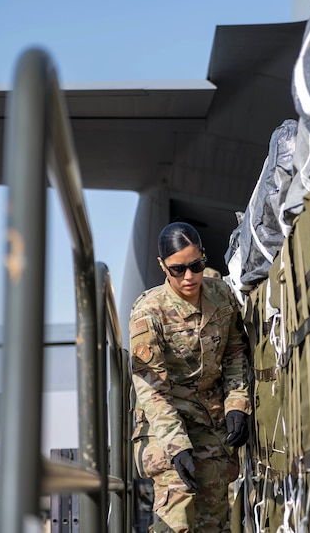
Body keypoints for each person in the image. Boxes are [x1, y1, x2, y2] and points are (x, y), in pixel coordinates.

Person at [130, 222, 251, 532]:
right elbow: (151, 389)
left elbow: (235, 353)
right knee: (178, 513)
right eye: (178, 269)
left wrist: (237, 403)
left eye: (196, 266)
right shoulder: (149, 312)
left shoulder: (221, 296)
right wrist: (177, 445)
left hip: (210, 422)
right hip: (164, 425)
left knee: (214, 517)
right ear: (162, 266)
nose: (189, 277)